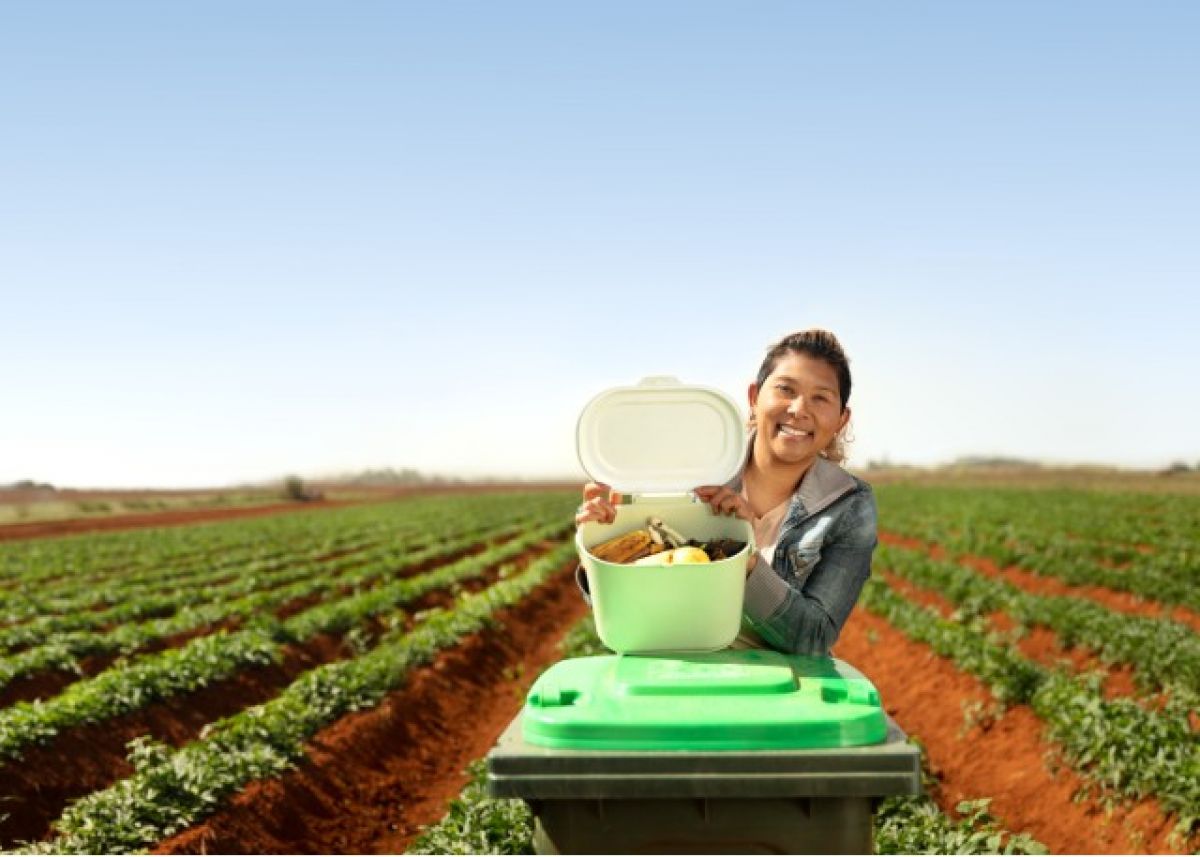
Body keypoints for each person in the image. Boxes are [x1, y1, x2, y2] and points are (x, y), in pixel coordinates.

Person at [574, 329, 878, 656]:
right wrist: (599, 555)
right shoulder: (685, 479)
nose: (799, 409)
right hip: (681, 665)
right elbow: (630, 617)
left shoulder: (849, 506)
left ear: (841, 419)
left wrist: (745, 561)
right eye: (786, 389)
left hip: (783, 685)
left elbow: (813, 636)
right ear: (753, 397)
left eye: (821, 397)